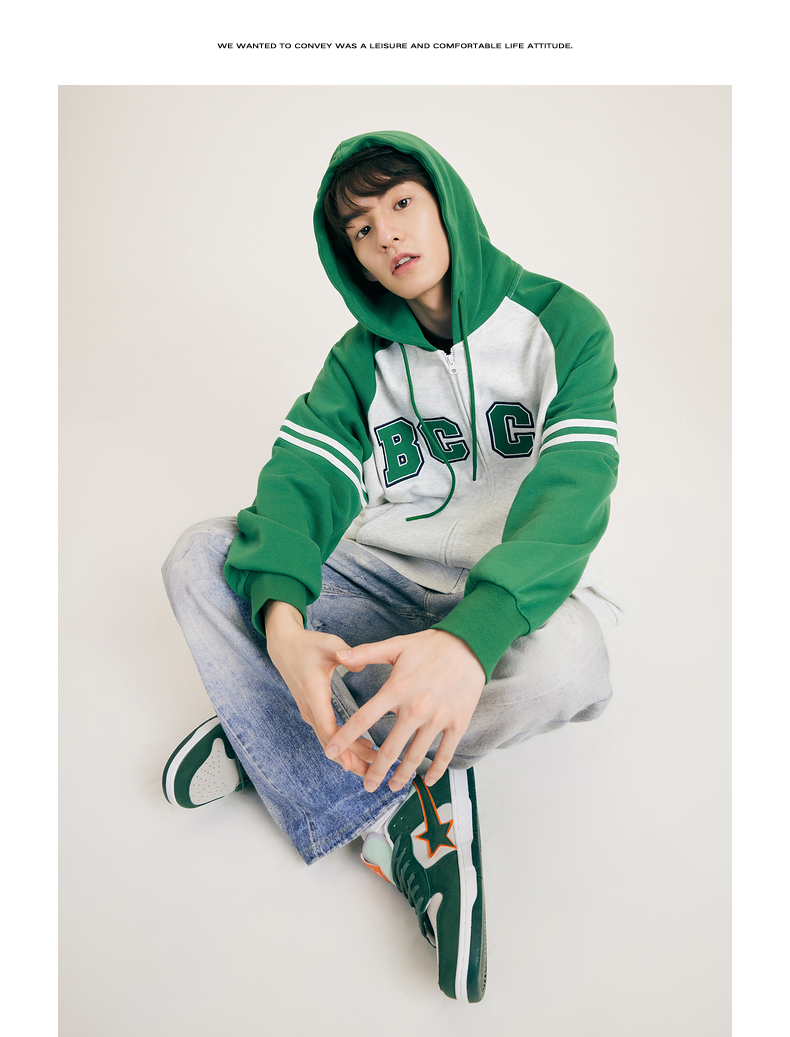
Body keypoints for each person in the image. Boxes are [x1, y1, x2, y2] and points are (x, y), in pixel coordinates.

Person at [161, 130, 622, 1004]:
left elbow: (575, 490)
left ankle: (273, 730)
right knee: (202, 556)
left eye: (402, 203)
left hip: (503, 601)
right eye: (362, 229)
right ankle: (389, 804)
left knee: (575, 663)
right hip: (378, 584)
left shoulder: (563, 323)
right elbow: (298, 489)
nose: (389, 235)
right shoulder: (356, 362)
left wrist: (472, 637)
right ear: (352, 258)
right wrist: (285, 629)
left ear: (445, 201)